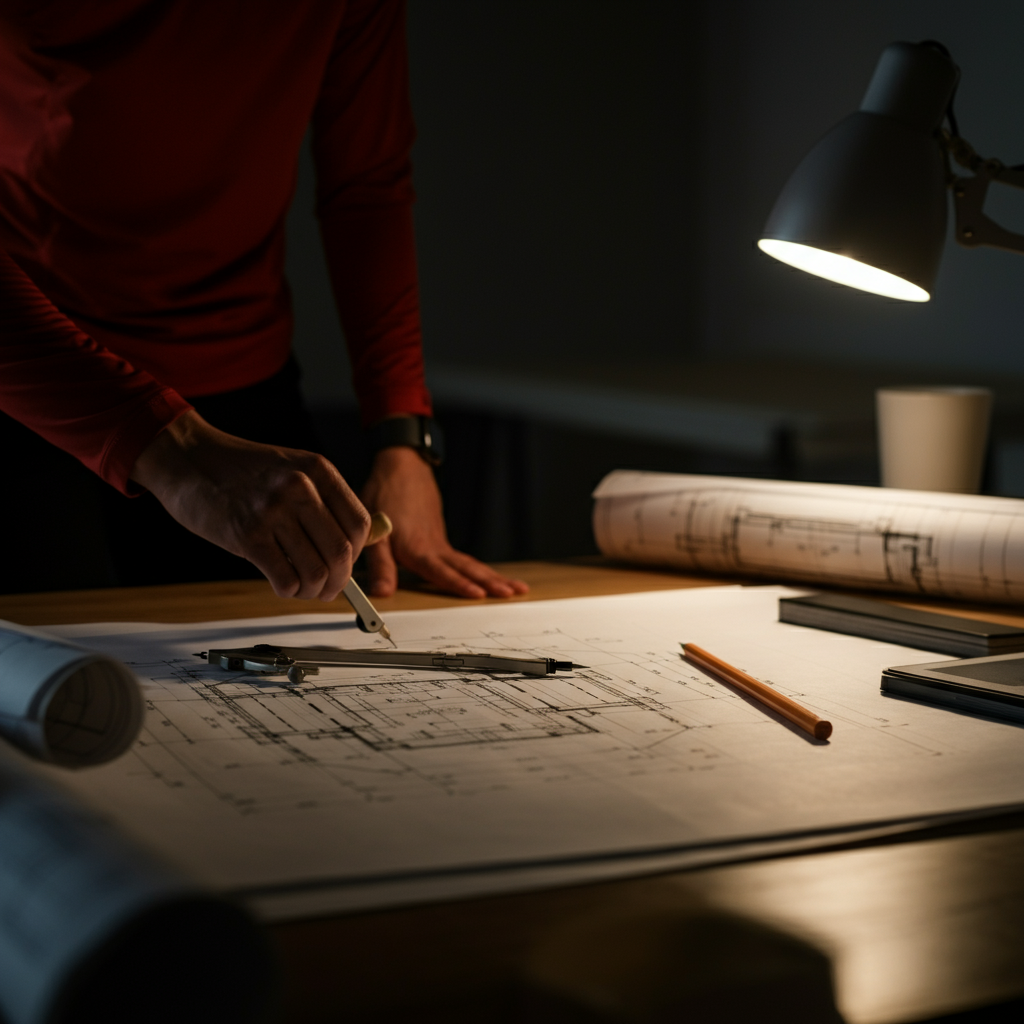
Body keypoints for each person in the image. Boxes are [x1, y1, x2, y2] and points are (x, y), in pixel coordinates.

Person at [0, 0, 527, 602]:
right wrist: (176, 450)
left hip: (243, 388)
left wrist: (402, 437)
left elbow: (369, 190)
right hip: (35, 383)